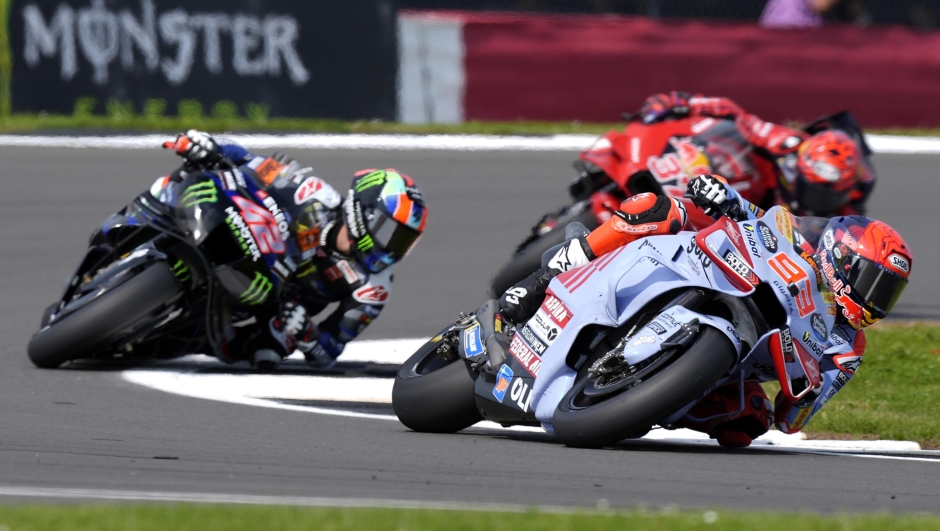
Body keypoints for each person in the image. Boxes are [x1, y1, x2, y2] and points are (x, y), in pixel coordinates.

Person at [500, 174, 911, 447]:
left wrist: (808, 392)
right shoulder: (798, 237)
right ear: (842, 257)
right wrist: (724, 196)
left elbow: (791, 421)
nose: (877, 299)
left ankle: (639, 397)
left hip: (726, 369)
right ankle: (550, 274)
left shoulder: (847, 346)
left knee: (747, 424)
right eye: (875, 282)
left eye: (888, 292)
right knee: (657, 208)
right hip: (704, 271)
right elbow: (757, 216)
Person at [155, 130, 428, 370]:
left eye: (403, 241)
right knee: (186, 182)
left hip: (269, 304)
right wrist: (211, 145)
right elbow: (247, 160)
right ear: (365, 211)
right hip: (241, 242)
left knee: (269, 351)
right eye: (390, 232)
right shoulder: (313, 193)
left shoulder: (373, 287)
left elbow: (329, 351)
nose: (392, 247)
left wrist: (307, 333)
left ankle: (178, 341)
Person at [637, 91, 875, 217]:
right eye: (815, 191)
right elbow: (735, 114)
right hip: (742, 189)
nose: (821, 202)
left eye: (831, 196)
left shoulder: (846, 211)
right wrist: (682, 103)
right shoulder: (787, 144)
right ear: (801, 170)